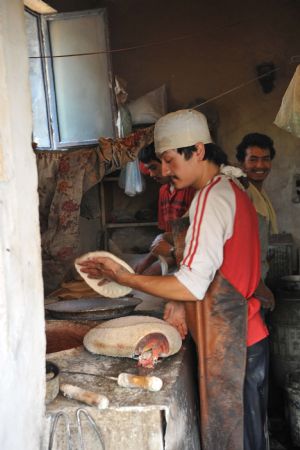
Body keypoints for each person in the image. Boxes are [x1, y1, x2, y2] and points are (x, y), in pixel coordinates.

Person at [79, 109, 269, 450]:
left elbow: (191, 283)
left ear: (197, 151)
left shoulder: (212, 198)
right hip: (241, 335)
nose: (164, 172)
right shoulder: (226, 189)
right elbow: (207, 270)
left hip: (233, 339)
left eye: (169, 161)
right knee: (249, 436)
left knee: (235, 439)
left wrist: (125, 277)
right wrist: (178, 303)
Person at [134, 143, 195, 275]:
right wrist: (147, 262)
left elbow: (189, 242)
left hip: (190, 260)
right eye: (148, 170)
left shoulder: (192, 190)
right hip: (175, 254)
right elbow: (167, 236)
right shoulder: (163, 191)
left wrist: (162, 261)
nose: (151, 174)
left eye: (154, 168)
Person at [236, 133, 278, 307]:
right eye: (253, 159)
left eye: (266, 159)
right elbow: (241, 249)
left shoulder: (259, 193)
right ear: (242, 163)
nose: (260, 165)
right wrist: (260, 288)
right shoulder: (243, 193)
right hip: (247, 287)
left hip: (256, 281)